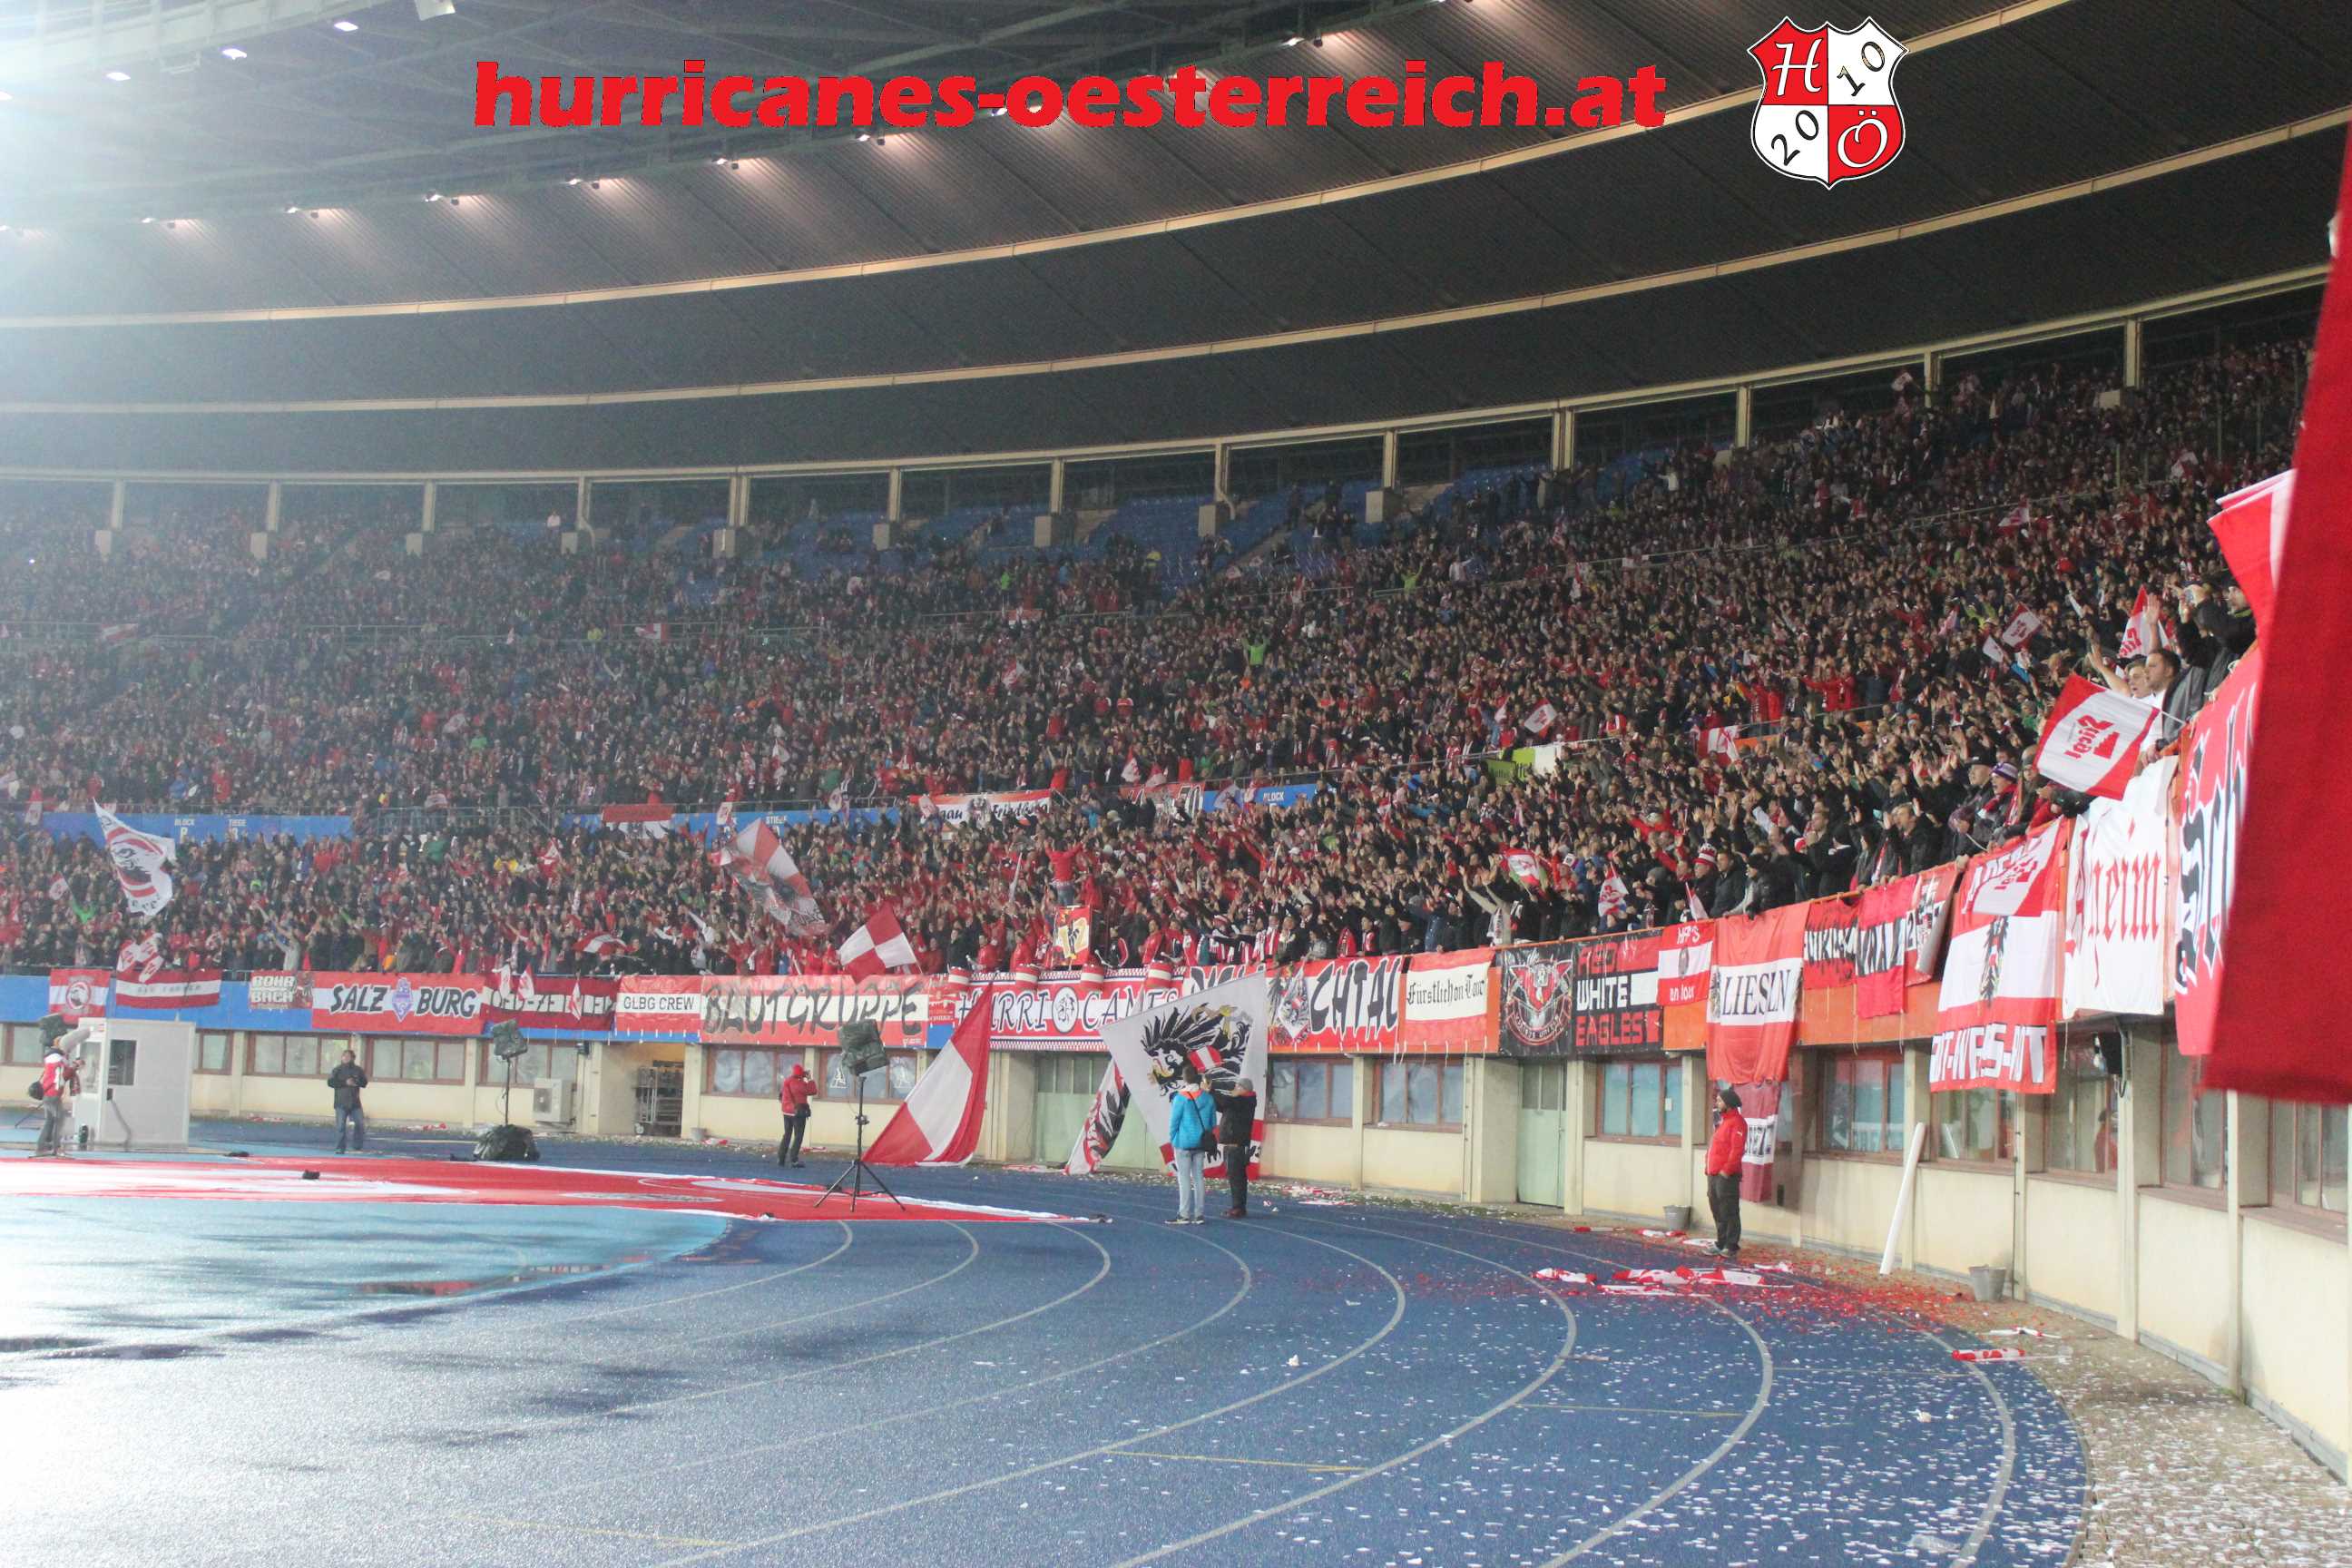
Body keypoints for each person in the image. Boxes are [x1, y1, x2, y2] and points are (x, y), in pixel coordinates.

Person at [1166, 1065, 1218, 1226]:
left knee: (1184, 1179)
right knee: (1199, 1178)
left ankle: (1184, 1214)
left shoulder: (1180, 1098)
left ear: (1184, 1078)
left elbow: (1174, 1122)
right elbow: (1213, 1123)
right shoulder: (1208, 1098)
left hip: (1183, 1143)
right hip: (1201, 1143)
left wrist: (1173, 1139)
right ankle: (1199, 1214)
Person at [1705, 1085, 1748, 1260]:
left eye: (1720, 1100)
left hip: (1726, 1176)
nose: (1717, 1103)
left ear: (1728, 1103)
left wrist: (1726, 1171)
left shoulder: (1738, 1122)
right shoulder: (1723, 1123)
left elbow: (1737, 1150)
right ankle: (1721, 1241)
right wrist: (1708, 1168)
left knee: (1729, 1210)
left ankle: (1731, 1245)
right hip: (1713, 1174)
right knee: (1717, 1209)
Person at [34, 1022, 86, 1158]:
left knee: (50, 1120)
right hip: (53, 1093)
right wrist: (75, 1066)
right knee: (60, 1120)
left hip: (48, 1093)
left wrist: (72, 1066)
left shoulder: (53, 1057)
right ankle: (56, 1148)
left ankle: (42, 1147)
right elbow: (63, 1075)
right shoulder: (57, 1059)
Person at [1214, 1075, 1259, 1219]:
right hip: (1233, 1145)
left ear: (1244, 1089)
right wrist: (1211, 1095)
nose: (1234, 1089)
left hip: (1237, 1146)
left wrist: (1211, 1091)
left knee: (1237, 1178)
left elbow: (1226, 1101)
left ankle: (1238, 1208)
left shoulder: (1245, 1101)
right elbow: (1222, 1104)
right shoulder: (1239, 1102)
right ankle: (1238, 1207)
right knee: (1235, 1177)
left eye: (1237, 1086)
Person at [328, 1048, 368, 1153]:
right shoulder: (337, 1070)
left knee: (360, 1124)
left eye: (348, 1056)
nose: (345, 1058)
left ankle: (357, 1146)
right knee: (341, 1126)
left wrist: (357, 1082)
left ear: (353, 1058)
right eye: (344, 1056)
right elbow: (330, 1082)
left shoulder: (358, 1070)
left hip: (355, 1103)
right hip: (341, 1103)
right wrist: (345, 1083)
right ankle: (340, 1148)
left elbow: (364, 1083)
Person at [778, 1061, 815, 1167]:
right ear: (801, 1073)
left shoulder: (787, 1081)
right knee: (798, 1136)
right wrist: (810, 1079)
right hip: (798, 1113)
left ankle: (781, 1158)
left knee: (787, 1135)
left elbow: (781, 1096)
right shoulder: (800, 1083)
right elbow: (813, 1091)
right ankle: (794, 1160)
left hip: (786, 1113)